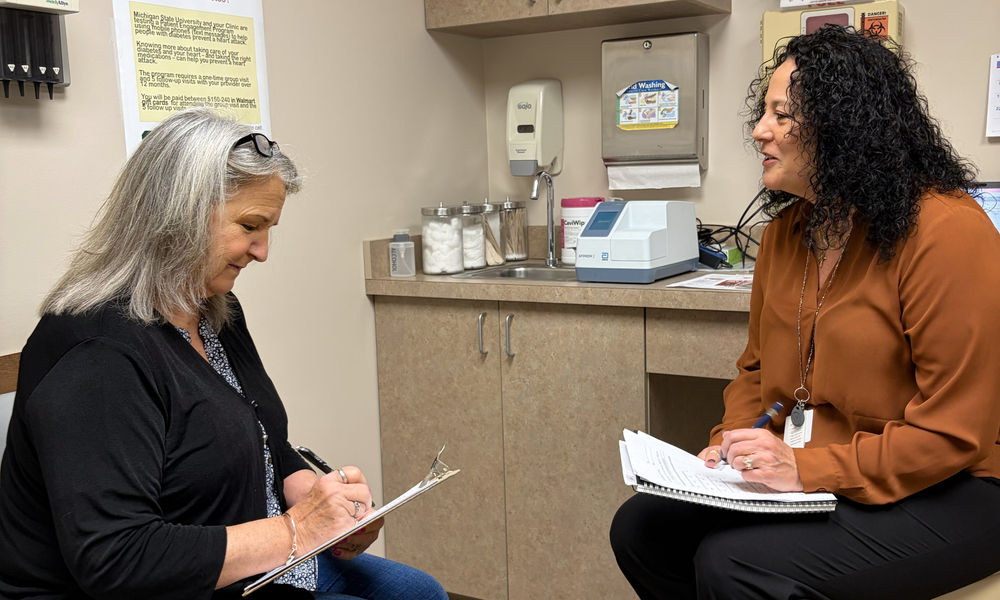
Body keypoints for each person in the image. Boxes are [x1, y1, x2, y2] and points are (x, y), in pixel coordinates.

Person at [610, 26, 1000, 600]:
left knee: (734, 563)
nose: (759, 131)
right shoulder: (786, 234)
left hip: (956, 484)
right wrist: (730, 443)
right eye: (762, 113)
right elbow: (756, 373)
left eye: (783, 116)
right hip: (826, 471)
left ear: (846, 128)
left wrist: (806, 471)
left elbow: (954, 433)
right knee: (642, 529)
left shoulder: (947, 231)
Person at [0, 108, 448, 600]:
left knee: (418, 591)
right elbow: (118, 561)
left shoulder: (212, 309)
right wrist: (297, 531)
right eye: (250, 225)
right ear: (177, 213)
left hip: (247, 561)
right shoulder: (100, 354)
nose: (262, 251)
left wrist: (314, 496)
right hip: (162, 585)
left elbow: (259, 438)